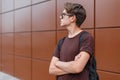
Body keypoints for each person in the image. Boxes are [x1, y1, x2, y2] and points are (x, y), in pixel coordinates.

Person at [49, 2, 94, 80]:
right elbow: (51, 69)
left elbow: (77, 68)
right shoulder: (61, 42)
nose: (60, 17)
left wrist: (57, 63)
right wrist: (71, 67)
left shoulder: (86, 38)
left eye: (63, 15)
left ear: (72, 18)